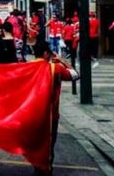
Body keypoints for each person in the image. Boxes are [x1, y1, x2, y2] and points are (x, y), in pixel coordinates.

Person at [32, 40, 79, 176]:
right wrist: (63, 61)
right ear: (46, 53)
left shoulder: (26, 67)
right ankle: (45, 169)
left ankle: (37, 168)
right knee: (48, 145)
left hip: (32, 114)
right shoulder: (55, 68)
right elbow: (75, 75)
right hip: (50, 116)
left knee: (35, 144)